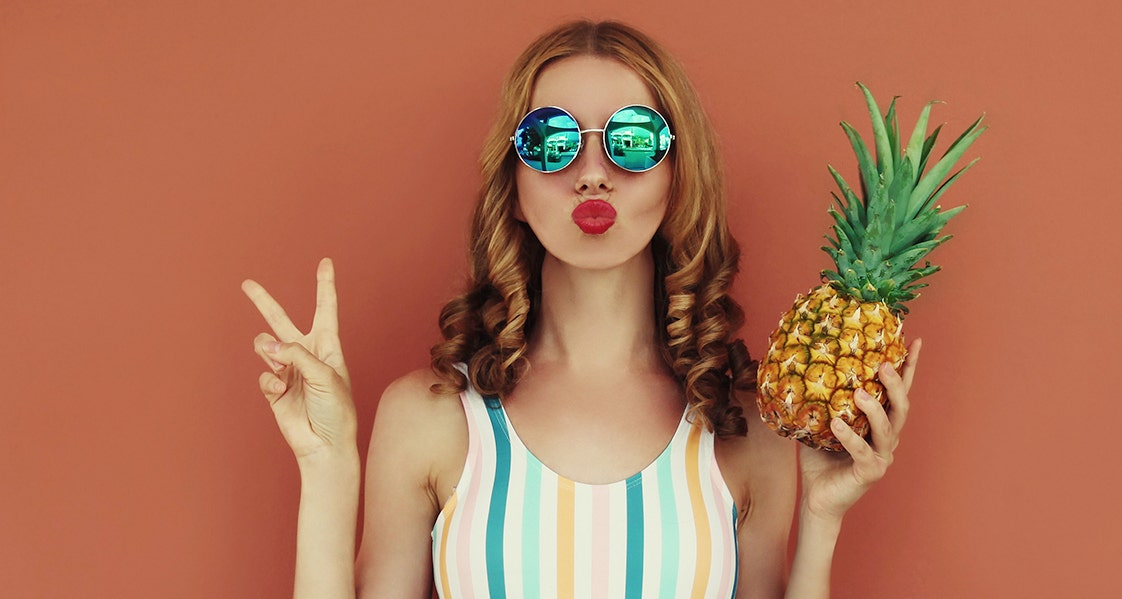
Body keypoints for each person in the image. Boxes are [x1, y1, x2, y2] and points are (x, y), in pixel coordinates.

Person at [243, 19, 919, 599]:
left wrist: (823, 518)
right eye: (550, 140)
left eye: (631, 138)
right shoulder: (430, 418)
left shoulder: (745, 429)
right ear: (512, 184)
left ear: (678, 174)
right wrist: (327, 464)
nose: (592, 171)